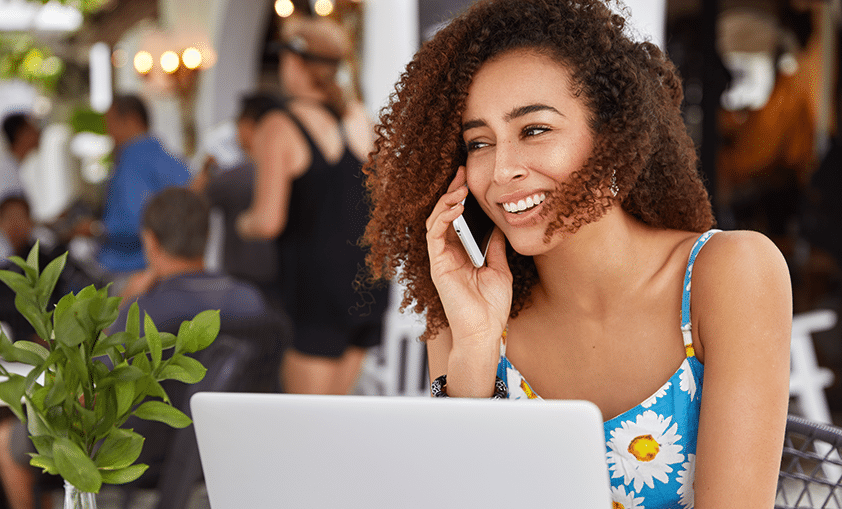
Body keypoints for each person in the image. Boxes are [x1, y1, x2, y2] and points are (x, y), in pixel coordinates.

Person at [360, 1, 792, 508]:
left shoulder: (729, 275)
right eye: (478, 143)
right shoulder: (465, 316)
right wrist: (476, 348)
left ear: (612, 134)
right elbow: (455, 495)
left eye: (535, 130)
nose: (502, 171)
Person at [236, 17, 388, 395]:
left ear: (297, 63)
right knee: (334, 417)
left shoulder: (280, 124)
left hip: (317, 292)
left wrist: (243, 223)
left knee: (306, 430)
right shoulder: (360, 119)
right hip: (369, 286)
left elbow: (268, 221)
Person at [76, 95, 191, 287]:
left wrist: (95, 229)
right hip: (170, 272)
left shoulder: (133, 160)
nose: (108, 132)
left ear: (131, 119)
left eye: (110, 123)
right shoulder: (173, 162)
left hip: (131, 272)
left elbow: (132, 222)